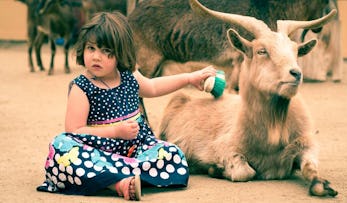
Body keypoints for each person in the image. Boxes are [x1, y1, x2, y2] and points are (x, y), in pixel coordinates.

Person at [36, 11, 216, 201]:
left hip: (135, 149)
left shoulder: (129, 75)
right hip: (96, 152)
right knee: (61, 148)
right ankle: (118, 184)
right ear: (83, 49)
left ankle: (111, 177)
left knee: (173, 154)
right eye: (91, 48)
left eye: (107, 51)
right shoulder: (82, 87)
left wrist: (190, 78)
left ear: (120, 53)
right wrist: (115, 132)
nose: (97, 57)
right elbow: (74, 131)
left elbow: (154, 87)